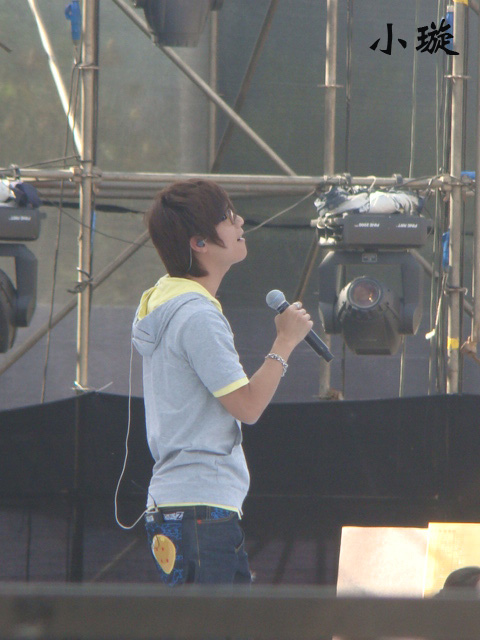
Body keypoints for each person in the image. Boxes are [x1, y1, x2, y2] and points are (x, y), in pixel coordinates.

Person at [132, 179, 313, 585]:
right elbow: (248, 406)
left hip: (182, 506)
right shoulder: (197, 315)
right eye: (228, 217)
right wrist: (285, 341)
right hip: (200, 510)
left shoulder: (169, 305)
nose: (240, 221)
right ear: (199, 243)